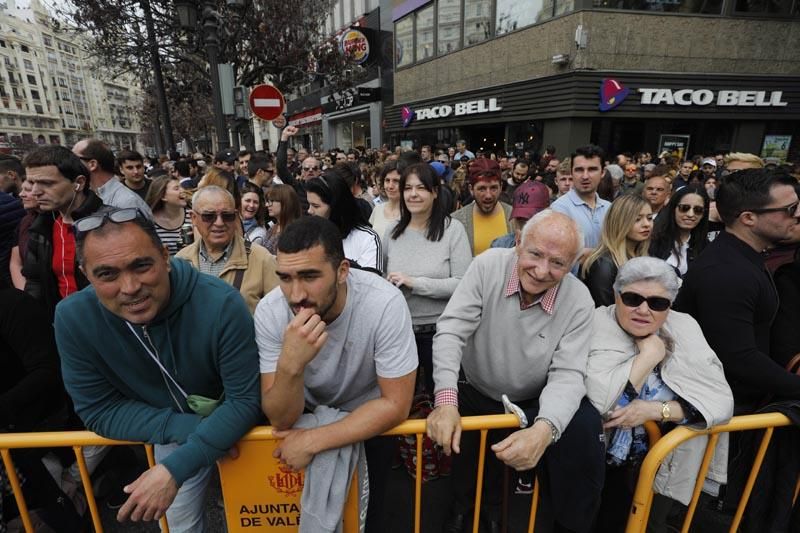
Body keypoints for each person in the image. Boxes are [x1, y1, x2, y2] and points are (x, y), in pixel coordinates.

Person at [55, 208, 262, 532]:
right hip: (171, 431)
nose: (130, 287)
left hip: (247, 432)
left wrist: (175, 468)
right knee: (179, 526)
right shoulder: (72, 318)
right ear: (85, 273)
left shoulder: (221, 303)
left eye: (141, 265)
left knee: (263, 519)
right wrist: (194, 434)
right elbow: (98, 409)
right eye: (107, 274)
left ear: (165, 256)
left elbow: (245, 401)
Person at [427, 210, 605, 533]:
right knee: (463, 460)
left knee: (503, 469)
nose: (541, 271)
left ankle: (493, 514)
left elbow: (568, 373)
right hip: (473, 388)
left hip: (525, 402)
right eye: (535, 254)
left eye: (558, 263)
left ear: (573, 264)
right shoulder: (487, 266)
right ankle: (459, 511)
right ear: (519, 241)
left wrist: (545, 429)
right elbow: (452, 330)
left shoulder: (579, 300)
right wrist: (445, 399)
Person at [255, 216, 417, 532]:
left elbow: (396, 404)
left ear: (343, 271)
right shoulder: (271, 311)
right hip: (300, 423)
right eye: (285, 278)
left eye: (309, 276)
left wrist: (315, 440)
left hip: (370, 425)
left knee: (368, 518)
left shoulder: (383, 303)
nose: (295, 294)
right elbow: (280, 419)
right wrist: (291, 365)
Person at [586, 257, 733, 532]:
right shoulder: (595, 323)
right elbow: (598, 406)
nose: (643, 310)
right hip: (600, 466)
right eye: (632, 298)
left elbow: (720, 401)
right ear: (616, 296)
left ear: (670, 306)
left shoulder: (685, 326)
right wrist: (649, 356)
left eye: (657, 303)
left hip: (663, 465)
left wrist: (656, 410)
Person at [674, 168, 800, 409]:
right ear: (748, 218)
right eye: (789, 209)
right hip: (720, 415)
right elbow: (739, 359)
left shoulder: (740, 258)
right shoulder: (727, 273)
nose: (797, 215)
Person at [383, 163, 471, 394]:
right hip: (400, 332)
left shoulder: (453, 230)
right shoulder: (392, 232)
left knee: (441, 397)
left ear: (434, 191)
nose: (413, 194)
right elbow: (382, 277)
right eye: (408, 188)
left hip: (441, 332)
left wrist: (414, 282)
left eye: (421, 188)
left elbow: (463, 283)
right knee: (402, 400)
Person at [22, 146, 105, 319]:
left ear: (79, 183)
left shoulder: (111, 222)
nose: (35, 191)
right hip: (63, 324)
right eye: (32, 183)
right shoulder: (41, 227)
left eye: (47, 183)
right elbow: (34, 281)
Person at [176, 186, 278, 313]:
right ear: (193, 218)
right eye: (209, 216)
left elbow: (278, 315)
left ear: (235, 216)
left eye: (227, 216)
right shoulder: (181, 261)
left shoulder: (261, 259)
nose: (219, 223)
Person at [581, 194, 654, 307]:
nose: (646, 224)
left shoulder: (643, 256)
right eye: (637, 219)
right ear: (619, 222)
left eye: (649, 218)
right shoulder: (603, 264)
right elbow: (604, 313)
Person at [305, 172, 382, 273]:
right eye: (309, 204)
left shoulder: (367, 239)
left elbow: (372, 283)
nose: (309, 211)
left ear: (335, 207)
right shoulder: (307, 235)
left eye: (316, 206)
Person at [551, 145, 611, 269]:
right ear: (572, 172)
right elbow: (562, 253)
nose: (585, 176)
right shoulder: (560, 208)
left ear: (603, 172)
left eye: (592, 169)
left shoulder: (610, 208)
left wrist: (589, 253)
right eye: (579, 170)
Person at [72, 139, 153, 218]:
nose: (70, 163)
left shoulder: (125, 202)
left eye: (74, 158)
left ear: (92, 164)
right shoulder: (94, 195)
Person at [450, 158, 512, 256]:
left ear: (501, 187)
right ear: (471, 189)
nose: (488, 195)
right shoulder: (457, 221)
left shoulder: (513, 217)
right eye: (482, 189)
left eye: (493, 188)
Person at [648, 186, 709, 277]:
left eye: (698, 210)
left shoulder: (706, 247)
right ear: (673, 209)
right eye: (684, 208)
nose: (690, 214)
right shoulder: (652, 239)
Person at [145, 175, 190, 256]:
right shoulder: (149, 223)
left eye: (181, 187)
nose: (183, 190)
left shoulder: (192, 216)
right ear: (163, 196)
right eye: (176, 188)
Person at [264, 184, 302, 255]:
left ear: (285, 202)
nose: (267, 205)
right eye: (267, 201)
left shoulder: (295, 232)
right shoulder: (272, 228)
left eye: (271, 201)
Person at [369, 161, 401, 241]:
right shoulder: (377, 209)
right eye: (387, 180)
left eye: (396, 181)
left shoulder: (412, 213)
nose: (390, 186)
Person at [240, 182, 268, 247]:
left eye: (255, 202)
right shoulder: (228, 224)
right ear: (239, 201)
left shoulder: (260, 233)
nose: (251, 205)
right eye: (248, 200)